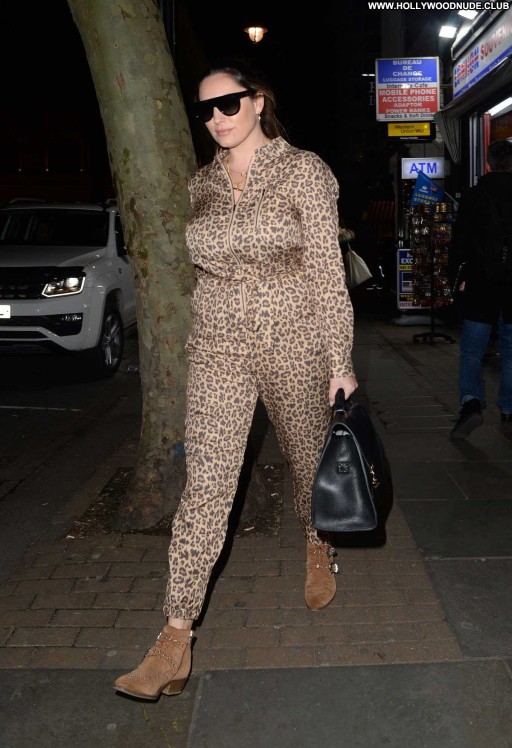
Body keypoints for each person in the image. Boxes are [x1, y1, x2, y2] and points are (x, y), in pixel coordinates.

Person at [114, 60, 357, 700]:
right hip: (219, 348)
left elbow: (328, 274)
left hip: (295, 339)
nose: (217, 118)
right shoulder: (201, 185)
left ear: (258, 101)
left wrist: (341, 363)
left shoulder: (304, 171)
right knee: (206, 486)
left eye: (228, 104)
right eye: (206, 109)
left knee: (308, 460)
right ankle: (174, 638)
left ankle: (317, 540)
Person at [450, 139, 512, 439]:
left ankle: (471, 402)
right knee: (511, 350)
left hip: (480, 282)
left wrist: (457, 274)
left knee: (472, 350)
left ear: (488, 163)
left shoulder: (474, 196)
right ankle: (509, 406)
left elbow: (460, 241)